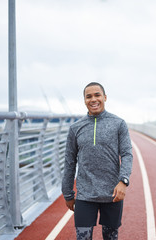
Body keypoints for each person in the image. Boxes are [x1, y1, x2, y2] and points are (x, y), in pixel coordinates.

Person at [62, 82, 133, 240]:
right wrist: (67, 193)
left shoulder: (119, 124)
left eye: (97, 95)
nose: (93, 99)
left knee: (110, 237)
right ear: (84, 100)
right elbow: (69, 162)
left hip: (112, 194)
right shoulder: (75, 128)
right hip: (85, 196)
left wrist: (124, 181)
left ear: (105, 97)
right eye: (89, 96)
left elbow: (127, 154)